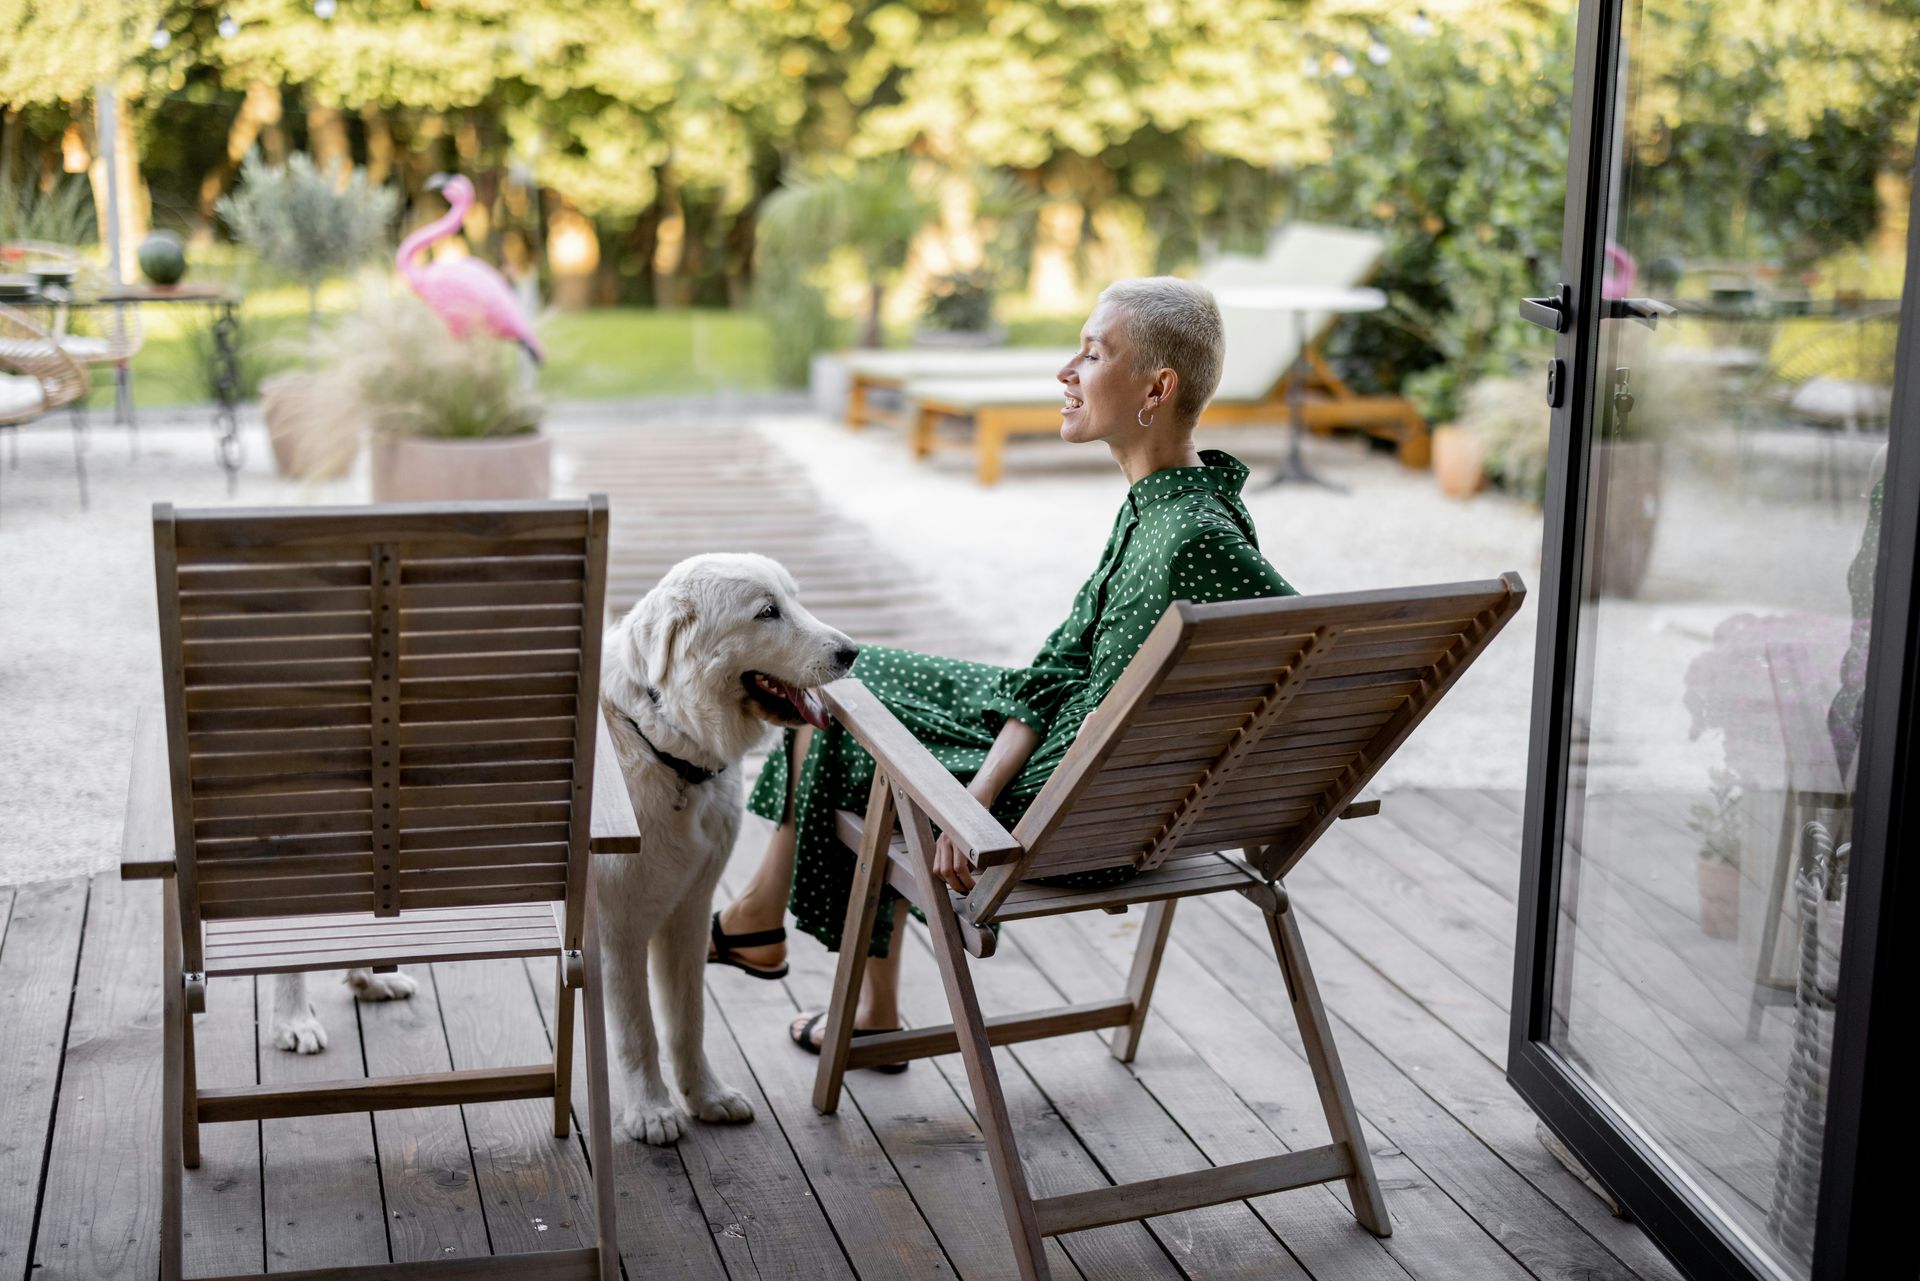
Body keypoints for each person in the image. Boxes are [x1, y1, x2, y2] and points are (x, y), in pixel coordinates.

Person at [705, 275, 1298, 1064]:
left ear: (1157, 388)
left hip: (1070, 813)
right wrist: (980, 786)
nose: (1066, 371)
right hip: (1071, 768)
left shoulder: (1189, 538)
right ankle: (787, 936)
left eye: (1092, 353)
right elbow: (1059, 673)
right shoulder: (1167, 508)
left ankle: (778, 932)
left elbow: (1282, 651)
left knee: (846, 727)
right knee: (852, 670)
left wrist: (984, 812)